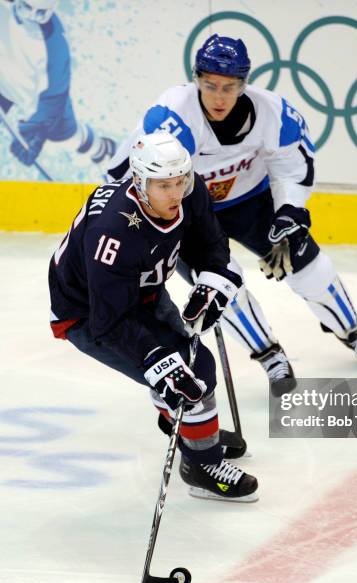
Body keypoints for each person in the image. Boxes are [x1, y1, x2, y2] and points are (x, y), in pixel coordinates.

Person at [107, 34, 357, 390]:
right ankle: (270, 355)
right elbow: (129, 173)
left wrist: (290, 212)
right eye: (210, 85)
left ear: (244, 84)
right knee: (221, 289)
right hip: (188, 214)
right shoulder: (172, 116)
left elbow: (292, 168)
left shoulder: (274, 113)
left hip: (252, 203)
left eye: (229, 87)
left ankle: (355, 333)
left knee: (308, 265)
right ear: (196, 79)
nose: (219, 97)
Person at [48, 130, 258, 502]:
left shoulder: (187, 190)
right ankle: (201, 466)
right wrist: (155, 358)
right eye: (164, 185)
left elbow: (209, 240)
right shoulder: (112, 233)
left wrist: (212, 276)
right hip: (88, 313)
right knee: (194, 371)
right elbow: (109, 320)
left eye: (180, 181)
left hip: (142, 288)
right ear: (140, 183)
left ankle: (188, 433)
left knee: (185, 374)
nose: (176, 193)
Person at [0, 0, 115, 174]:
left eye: (40, 14)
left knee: (65, 133)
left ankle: (100, 149)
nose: (30, 17)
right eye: (26, 8)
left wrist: (35, 133)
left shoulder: (55, 46)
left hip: (34, 98)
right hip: (5, 84)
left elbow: (54, 98)